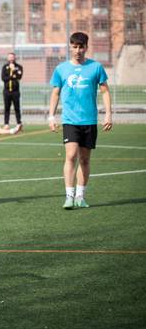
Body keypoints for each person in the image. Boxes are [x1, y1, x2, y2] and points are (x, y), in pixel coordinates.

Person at [48, 32, 112, 209]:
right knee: (71, 155)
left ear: (86, 47)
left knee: (84, 159)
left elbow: (105, 90)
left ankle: (80, 196)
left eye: (81, 47)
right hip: (70, 120)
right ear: (70, 47)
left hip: (89, 120)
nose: (77, 50)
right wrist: (51, 116)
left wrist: (108, 114)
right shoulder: (61, 69)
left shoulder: (96, 67)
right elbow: (55, 93)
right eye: (74, 47)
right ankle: (69, 197)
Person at [1, 52, 23, 131]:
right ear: (7, 58)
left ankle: (19, 124)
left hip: (15, 91)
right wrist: (11, 76)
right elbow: (3, 78)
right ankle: (6, 124)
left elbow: (19, 76)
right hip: (7, 91)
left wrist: (13, 71)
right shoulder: (5, 67)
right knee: (7, 108)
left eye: (12, 57)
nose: (11, 58)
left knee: (17, 108)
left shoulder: (18, 67)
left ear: (14, 58)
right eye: (9, 57)